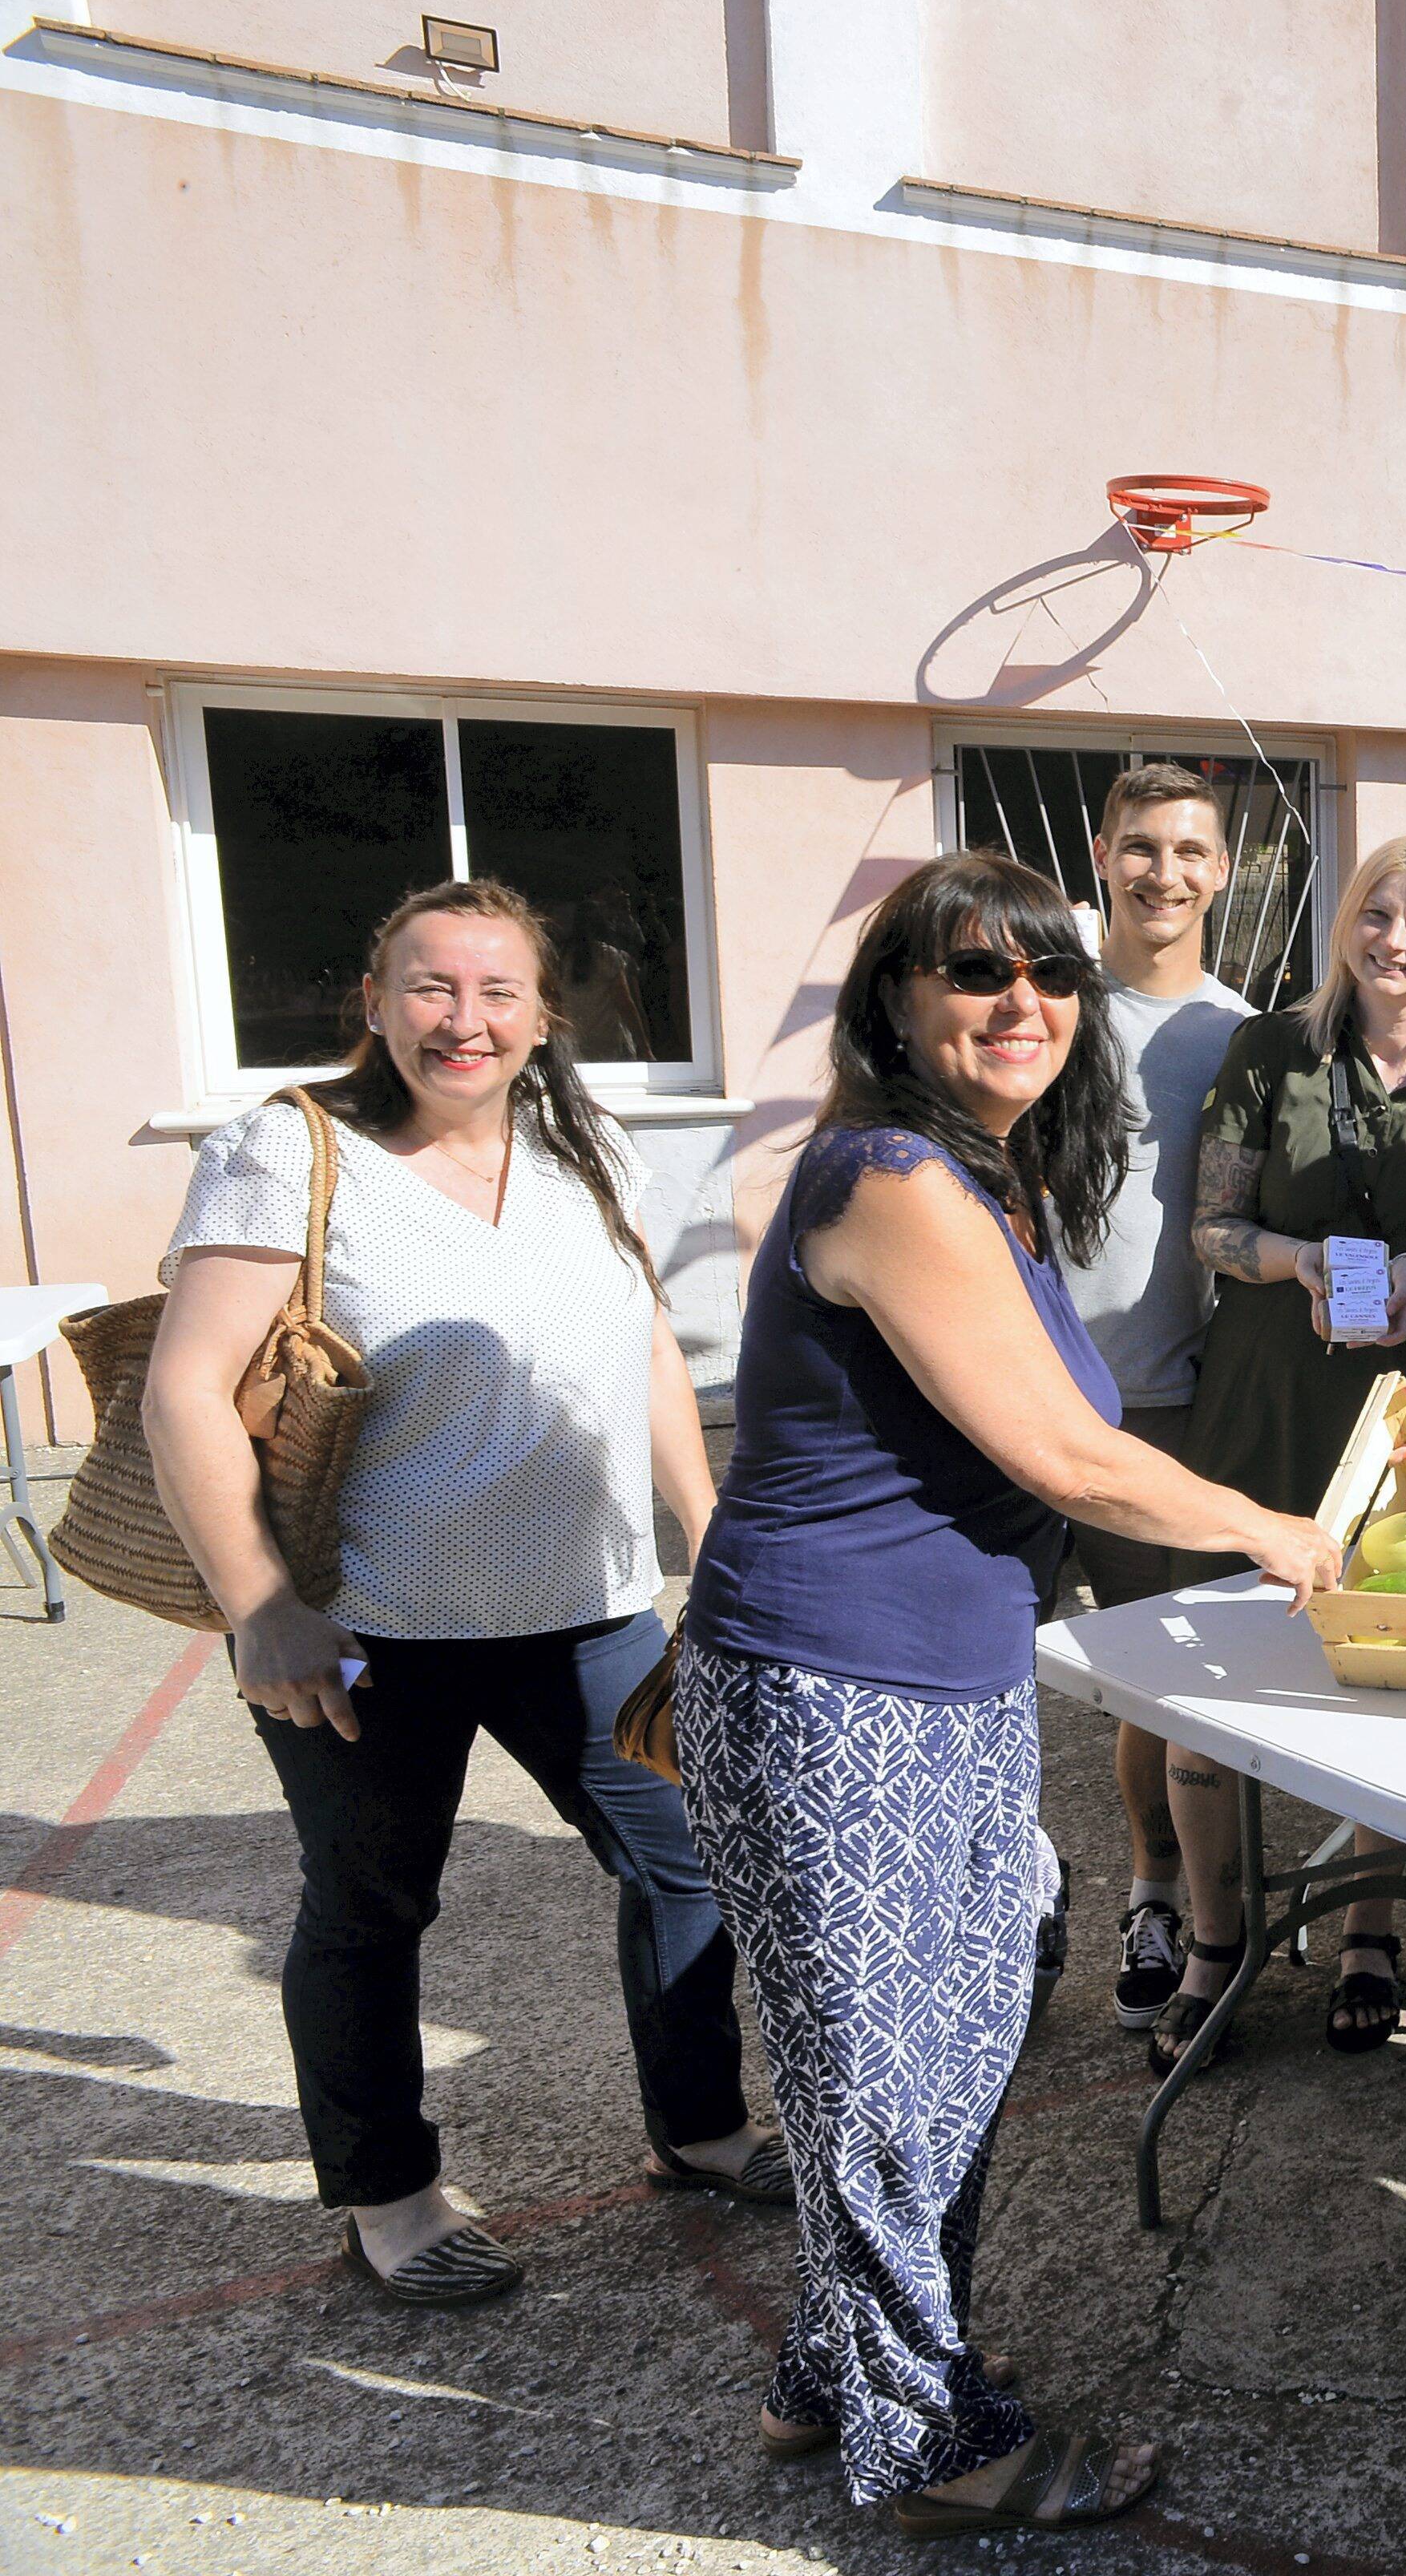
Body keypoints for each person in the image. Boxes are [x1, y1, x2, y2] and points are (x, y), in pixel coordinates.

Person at [675, 851, 1335, 2536]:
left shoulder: (996, 1183)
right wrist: (1280, 1530)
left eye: (1050, 974)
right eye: (975, 973)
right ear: (898, 1002)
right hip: (831, 1687)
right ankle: (930, 2443)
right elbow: (1058, 1450)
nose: (1021, 1003)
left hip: (942, 1681)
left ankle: (840, 2356)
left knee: (972, 2007)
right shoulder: (890, 1173)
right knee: (885, 2074)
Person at [143, 880, 778, 2308]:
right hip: (370, 1626)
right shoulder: (287, 1150)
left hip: (595, 1608)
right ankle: (389, 2189)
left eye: (499, 993)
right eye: (431, 988)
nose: (465, 1021)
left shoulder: (583, 1143)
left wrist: (708, 1526)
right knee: (372, 1909)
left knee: (689, 1860)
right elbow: (185, 1389)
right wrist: (261, 1603)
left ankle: (699, 2125)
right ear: (373, 1003)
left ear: (543, 1015)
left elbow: (651, 1354)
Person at [1171, 832, 1406, 2063]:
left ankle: (1368, 1931)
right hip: (1262, 1398)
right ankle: (1216, 1939)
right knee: (1210, 1682)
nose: (1395, 941)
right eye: (1378, 914)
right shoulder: (1274, 1049)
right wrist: (1301, 1259)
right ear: (1349, 926)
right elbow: (1213, 1229)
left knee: (1388, 1678)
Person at [1037, 766, 1256, 2056]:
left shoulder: (1240, 1036)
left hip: (1159, 1405)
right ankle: (1008, 1916)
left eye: (1189, 851)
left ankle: (1153, 1897)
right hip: (1002, 1400)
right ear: (1101, 854)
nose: (1162, 872)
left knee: (1148, 1684)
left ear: (1222, 872)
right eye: (1139, 847)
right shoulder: (1042, 1004)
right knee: (979, 1692)